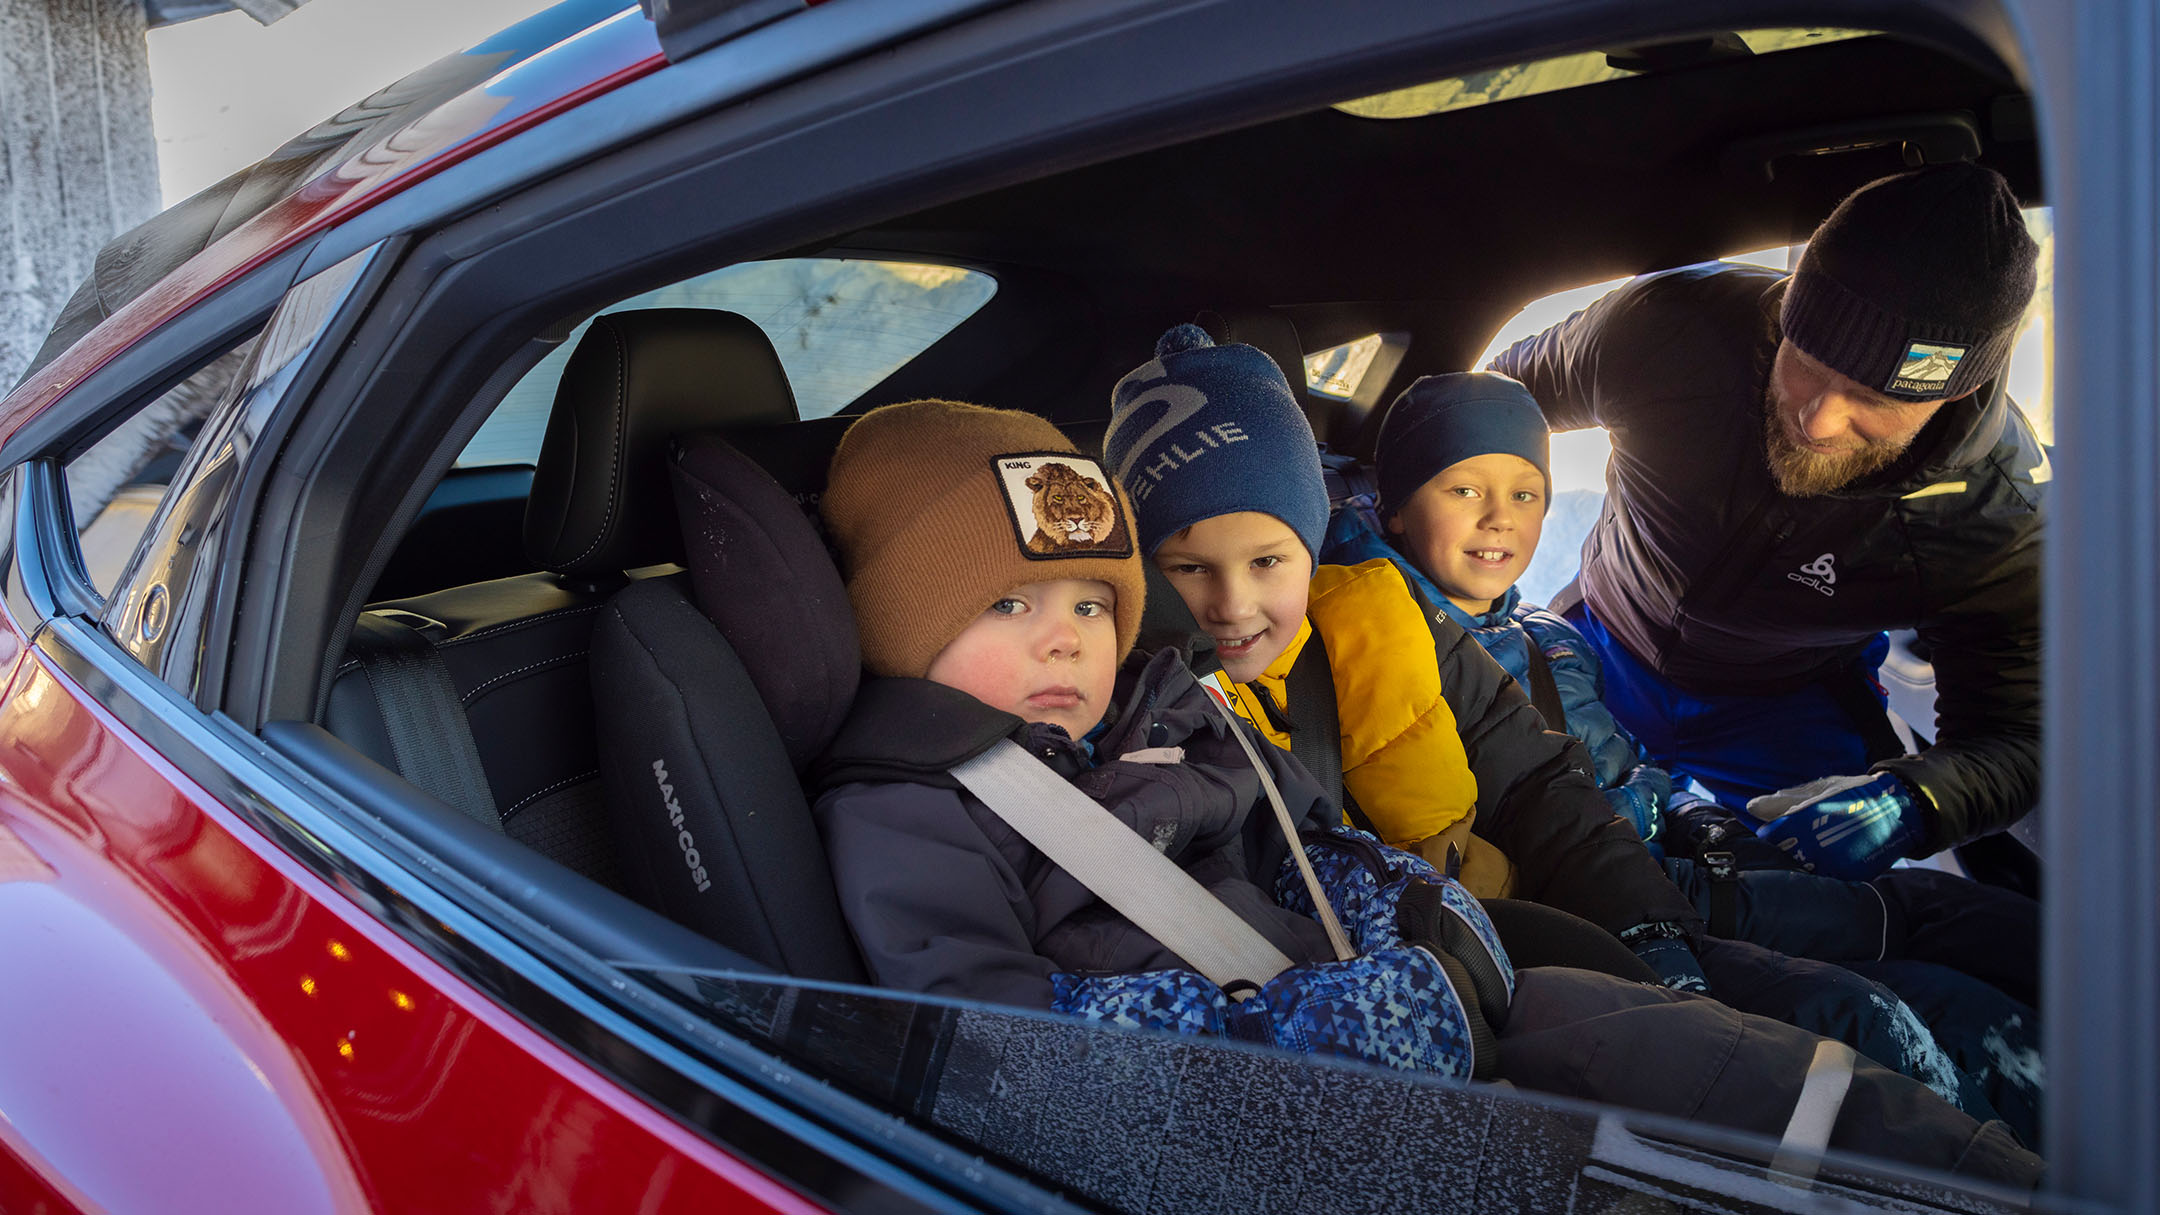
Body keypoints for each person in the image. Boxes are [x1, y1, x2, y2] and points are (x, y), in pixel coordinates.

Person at [803, 396, 2039, 1183]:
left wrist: (1417, 912)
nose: (1067, 637)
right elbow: (999, 1050)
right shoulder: (912, 804)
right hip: (1294, 1093)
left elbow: (1326, 837)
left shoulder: (1159, 716)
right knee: (1714, 1093)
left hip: (1399, 990)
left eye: (1089, 602)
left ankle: (1994, 1174)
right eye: (1011, 605)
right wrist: (1355, 1017)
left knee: (1778, 1058)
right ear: (904, 621)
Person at [1105, 326, 2012, 1125]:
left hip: (1601, 892)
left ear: (1308, 543)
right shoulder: (1161, 722)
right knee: (1865, 1025)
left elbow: (1542, 778)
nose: (1232, 604)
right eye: (1187, 568)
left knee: (1925, 959)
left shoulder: (1420, 623)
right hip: (1477, 968)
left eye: (1268, 560)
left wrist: (1658, 919)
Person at [1324, 369, 2043, 1144]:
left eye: (1526, 493)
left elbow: (1623, 764)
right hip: (1622, 893)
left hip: (1674, 850)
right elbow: (1513, 816)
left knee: (1952, 914)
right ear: (1395, 505)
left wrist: (1702, 815)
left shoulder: (1550, 632)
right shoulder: (1391, 641)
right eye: (1465, 490)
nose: (1501, 518)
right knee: (1887, 1000)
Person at [1488, 163, 2044, 882]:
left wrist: (1914, 800)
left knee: (1838, 911)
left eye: (1872, 397)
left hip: (1784, 703)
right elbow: (1494, 404)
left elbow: (2013, 733)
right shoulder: (1668, 331)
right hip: (1599, 638)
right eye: (1806, 360)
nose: (1818, 418)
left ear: (1957, 386)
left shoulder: (1993, 515)